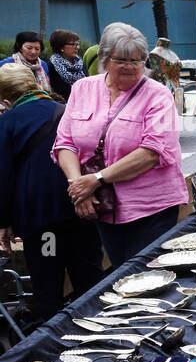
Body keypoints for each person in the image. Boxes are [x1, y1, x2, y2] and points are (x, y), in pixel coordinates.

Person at [53, 22, 187, 268]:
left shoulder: (158, 95)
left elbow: (151, 152)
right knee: (120, 274)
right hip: (102, 205)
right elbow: (65, 143)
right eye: (122, 60)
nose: (130, 67)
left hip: (150, 208)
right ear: (104, 59)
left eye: (137, 61)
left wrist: (96, 179)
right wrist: (79, 187)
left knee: (145, 275)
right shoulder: (82, 88)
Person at [0, 64, 103, 321]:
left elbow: (3, 177)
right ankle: (101, 330)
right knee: (90, 277)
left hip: (43, 222)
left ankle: (53, 347)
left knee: (48, 281)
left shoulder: (7, 122)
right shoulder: (67, 111)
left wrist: (4, 222)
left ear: (5, 99)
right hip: (82, 207)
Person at [47, 30, 86, 101]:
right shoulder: (51, 66)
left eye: (77, 44)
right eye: (73, 44)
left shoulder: (80, 63)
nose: (77, 47)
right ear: (61, 47)